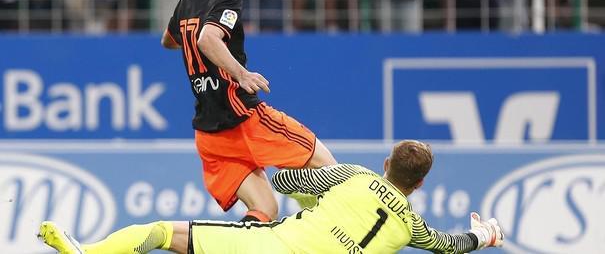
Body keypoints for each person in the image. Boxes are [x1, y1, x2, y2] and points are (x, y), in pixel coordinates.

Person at [38, 140, 504, 254]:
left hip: (274, 246)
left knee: (159, 232)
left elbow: (284, 185)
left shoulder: (354, 176)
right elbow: (450, 246)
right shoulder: (411, 227)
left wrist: (262, 175)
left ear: (386, 164)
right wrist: (485, 233)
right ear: (419, 185)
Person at [159, 0, 337, 223]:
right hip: (245, 120)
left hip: (210, 134)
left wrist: (192, 39)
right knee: (331, 169)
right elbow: (207, 39)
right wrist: (241, 74)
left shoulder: (186, 1)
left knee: (265, 209)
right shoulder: (227, 1)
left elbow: (169, 40)